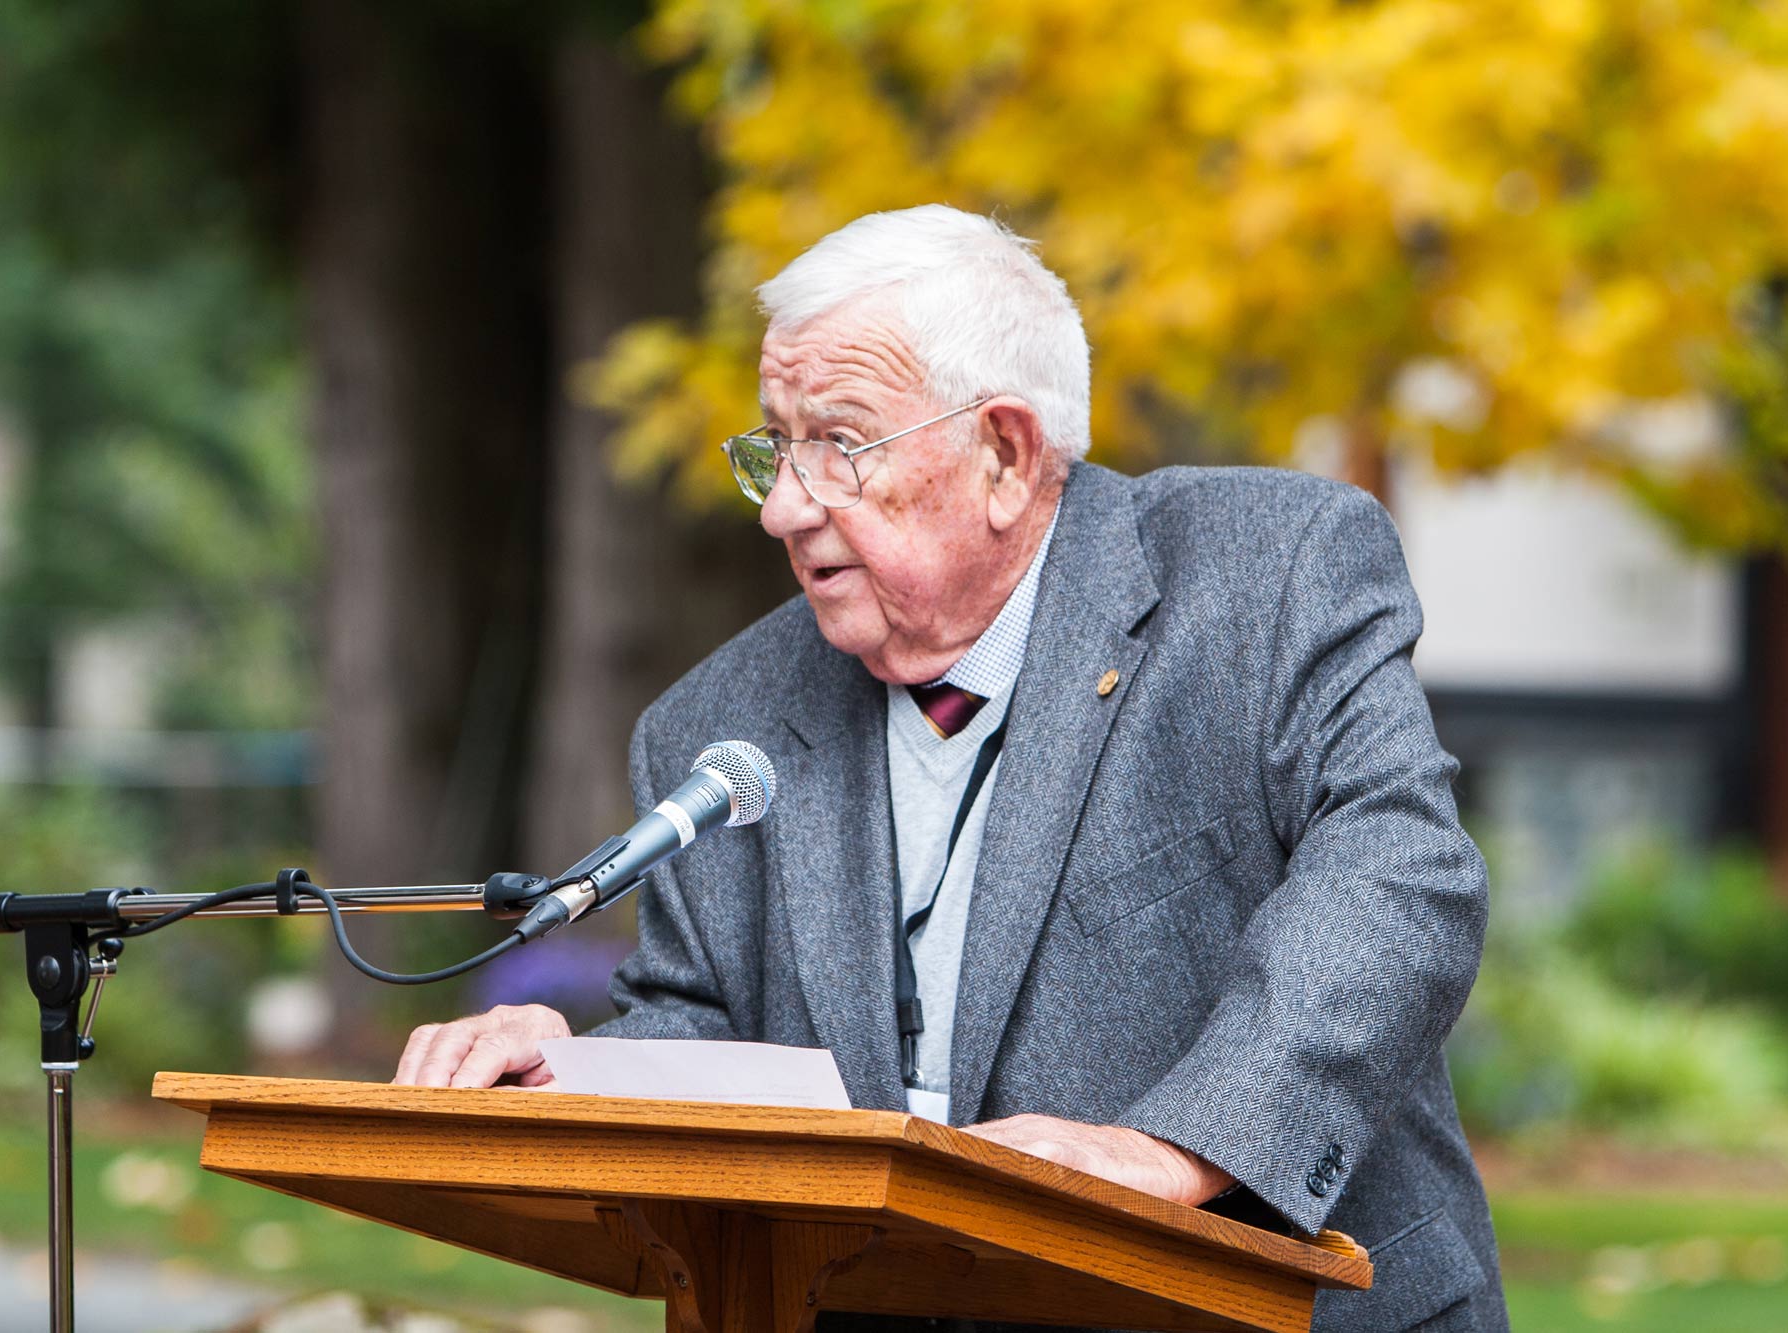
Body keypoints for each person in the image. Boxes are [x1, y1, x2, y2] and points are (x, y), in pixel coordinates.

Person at [395, 205, 1506, 1331]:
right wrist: (568, 1075)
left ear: (1005, 457)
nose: (785, 506)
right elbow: (712, 1037)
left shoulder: (1267, 577)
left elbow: (1396, 885)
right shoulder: (719, 720)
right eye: (776, 449)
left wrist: (1165, 1152)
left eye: (839, 444)